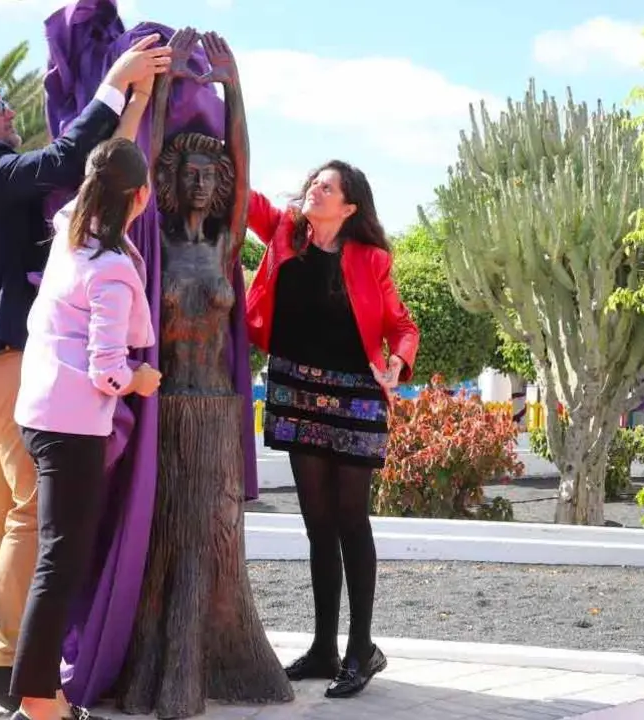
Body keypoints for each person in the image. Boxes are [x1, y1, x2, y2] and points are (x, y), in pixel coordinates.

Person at [0, 34, 171, 708]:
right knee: (32, 515)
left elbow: (89, 182)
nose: (9, 114)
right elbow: (67, 161)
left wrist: (130, 113)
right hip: (3, 363)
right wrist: (115, 81)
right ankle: (4, 662)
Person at [245, 160, 420, 699]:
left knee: (350, 521)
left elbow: (401, 325)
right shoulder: (282, 233)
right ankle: (323, 647)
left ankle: (361, 648)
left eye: (327, 187)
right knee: (316, 525)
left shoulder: (372, 259)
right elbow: (242, 192)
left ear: (349, 208)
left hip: (355, 400)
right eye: (312, 183)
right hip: (296, 393)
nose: (313, 190)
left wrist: (398, 362)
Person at [9, 134, 162, 720]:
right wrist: (139, 380)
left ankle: (39, 698)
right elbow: (106, 370)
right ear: (142, 195)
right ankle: (40, 704)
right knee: (59, 561)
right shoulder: (112, 269)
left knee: (55, 555)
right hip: (73, 426)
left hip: (39, 413)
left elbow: (87, 192)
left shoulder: (70, 232)